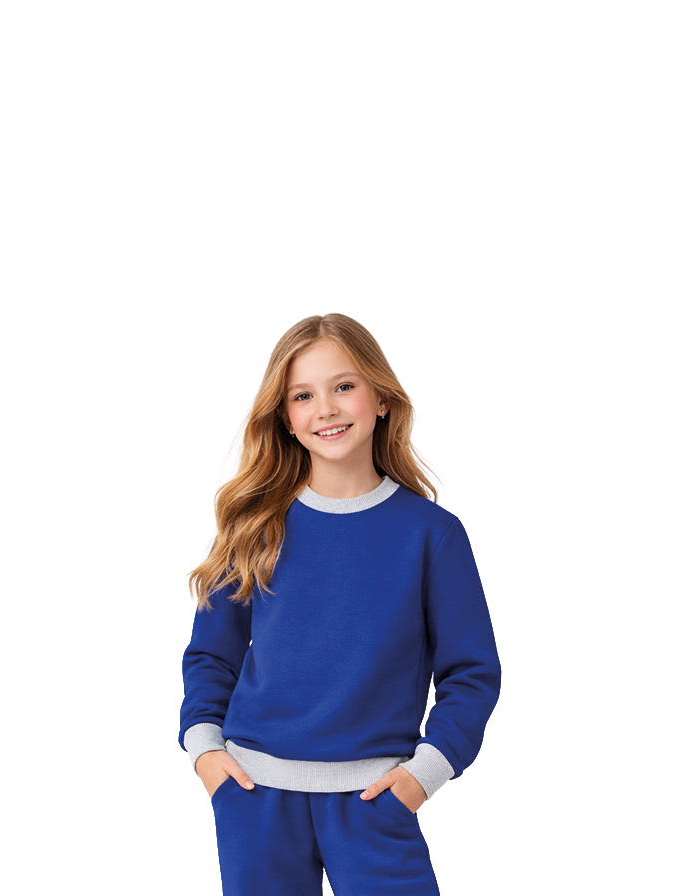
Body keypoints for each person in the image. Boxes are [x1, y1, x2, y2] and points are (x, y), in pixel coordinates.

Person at [178, 312, 502, 896]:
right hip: (254, 796)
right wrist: (205, 751)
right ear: (286, 417)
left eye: (344, 386)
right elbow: (211, 654)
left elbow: (472, 673)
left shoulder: (431, 535)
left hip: (376, 800)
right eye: (303, 395)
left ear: (382, 398)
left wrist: (423, 775)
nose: (325, 409)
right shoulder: (254, 527)